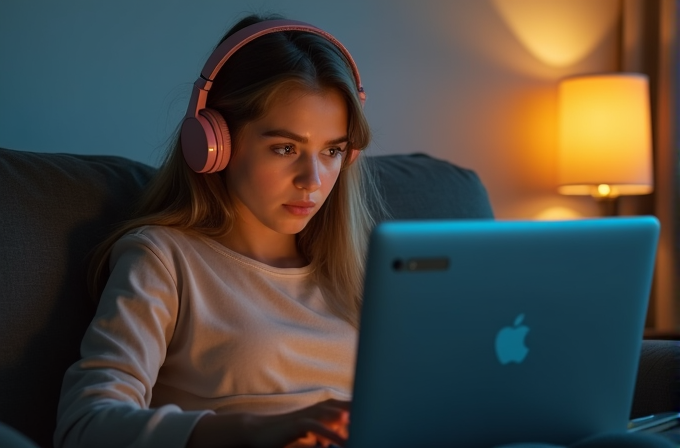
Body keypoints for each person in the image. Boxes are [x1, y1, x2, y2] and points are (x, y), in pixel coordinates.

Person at [54, 13, 385, 448]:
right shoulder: (164, 259)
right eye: (285, 148)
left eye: (332, 151)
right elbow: (84, 426)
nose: (313, 180)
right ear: (214, 142)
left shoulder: (359, 273)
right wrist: (253, 429)